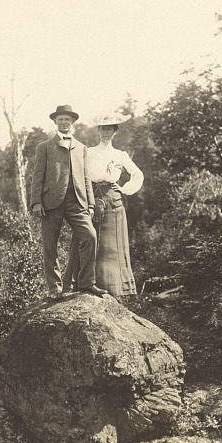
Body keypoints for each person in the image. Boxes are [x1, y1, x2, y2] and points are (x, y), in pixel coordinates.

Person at [30, 104, 107, 299]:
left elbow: (86, 177)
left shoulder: (81, 148)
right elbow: (37, 176)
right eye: (61, 119)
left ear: (73, 123)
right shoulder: (44, 147)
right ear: (55, 121)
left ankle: (86, 283)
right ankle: (54, 289)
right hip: (50, 203)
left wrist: (90, 204)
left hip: (77, 202)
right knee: (50, 245)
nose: (64, 123)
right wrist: (36, 201)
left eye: (68, 120)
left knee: (90, 236)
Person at [63, 112, 144, 297]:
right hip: (90, 200)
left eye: (109, 129)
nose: (105, 133)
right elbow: (75, 173)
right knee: (86, 239)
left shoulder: (120, 155)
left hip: (113, 201)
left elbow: (138, 175)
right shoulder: (88, 152)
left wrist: (124, 189)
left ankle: (114, 289)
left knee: (111, 246)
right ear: (98, 131)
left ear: (115, 132)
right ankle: (81, 284)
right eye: (102, 129)